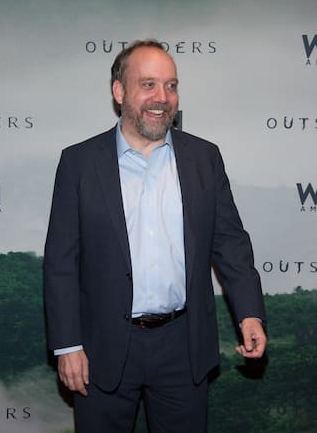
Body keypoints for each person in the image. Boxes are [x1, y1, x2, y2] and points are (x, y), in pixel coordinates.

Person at [44, 39, 267, 433]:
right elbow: (62, 261)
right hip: (102, 348)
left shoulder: (204, 157)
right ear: (119, 92)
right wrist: (67, 345)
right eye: (148, 84)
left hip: (184, 347)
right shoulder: (78, 162)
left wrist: (249, 312)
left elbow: (229, 241)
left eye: (171, 85)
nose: (161, 97)